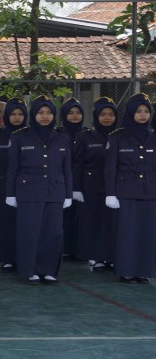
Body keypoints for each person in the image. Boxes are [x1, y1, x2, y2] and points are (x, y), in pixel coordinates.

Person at [6, 96, 72, 284]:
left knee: (54, 232)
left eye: (49, 112)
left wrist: (68, 194)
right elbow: (13, 168)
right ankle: (30, 270)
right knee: (30, 232)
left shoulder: (62, 138)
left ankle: (49, 270)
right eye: (40, 112)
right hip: (28, 191)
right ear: (33, 114)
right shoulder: (19, 136)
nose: (45, 116)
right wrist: (11, 193)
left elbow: (67, 169)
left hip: (55, 191)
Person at [105, 93, 156, 283]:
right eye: (138, 111)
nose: (142, 115)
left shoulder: (153, 136)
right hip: (125, 191)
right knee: (127, 233)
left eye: (146, 111)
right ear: (130, 113)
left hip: (150, 191)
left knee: (147, 232)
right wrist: (110, 193)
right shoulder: (117, 137)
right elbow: (110, 168)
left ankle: (143, 270)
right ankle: (126, 270)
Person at [73, 97, 118, 273]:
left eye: (111, 114)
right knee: (93, 223)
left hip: (115, 187)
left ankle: (112, 257)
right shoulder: (84, 137)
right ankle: (97, 257)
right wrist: (76, 188)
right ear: (96, 116)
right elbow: (77, 164)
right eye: (103, 114)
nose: (107, 118)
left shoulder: (121, 136)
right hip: (91, 187)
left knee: (112, 224)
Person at [0, 98, 27, 271]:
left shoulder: (31, 135)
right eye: (13, 114)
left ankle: (25, 257)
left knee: (25, 225)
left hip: (27, 188)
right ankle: (8, 258)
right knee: (5, 225)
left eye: (20, 114)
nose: (17, 118)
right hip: (3, 188)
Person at [60, 98, 86, 260]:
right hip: (62, 181)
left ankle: (79, 249)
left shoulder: (87, 133)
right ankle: (65, 247)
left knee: (81, 217)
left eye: (78, 112)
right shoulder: (58, 134)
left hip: (84, 182)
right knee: (64, 217)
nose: (75, 116)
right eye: (71, 112)